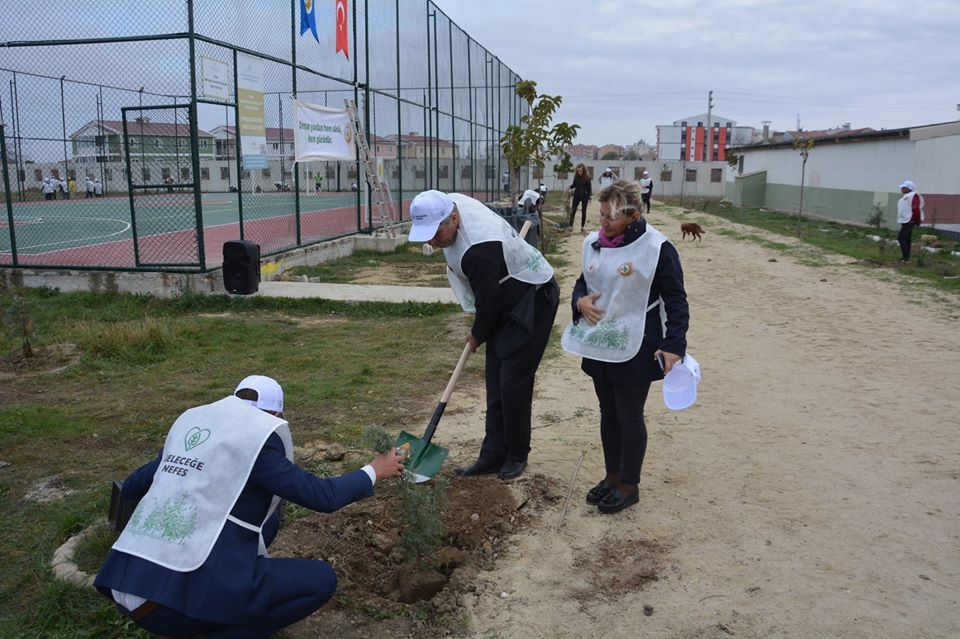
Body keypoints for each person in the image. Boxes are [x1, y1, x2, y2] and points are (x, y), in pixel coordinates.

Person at [94, 375, 405, 638]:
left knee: (264, 520)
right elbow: (322, 496)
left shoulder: (199, 431)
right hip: (169, 607)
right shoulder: (257, 445)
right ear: (275, 417)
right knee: (321, 580)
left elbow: (132, 487)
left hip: (126, 588)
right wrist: (375, 470)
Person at [408, 190, 560, 481]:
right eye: (425, 234)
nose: (431, 240)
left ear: (453, 218)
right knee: (496, 382)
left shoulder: (479, 248)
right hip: (504, 296)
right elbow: (490, 300)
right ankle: (492, 454)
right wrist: (482, 330)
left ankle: (516, 455)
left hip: (532, 298)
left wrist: (477, 335)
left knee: (513, 383)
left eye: (435, 232)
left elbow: (488, 303)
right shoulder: (447, 202)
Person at [561, 180, 689, 514]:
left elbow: (676, 299)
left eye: (609, 217)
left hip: (637, 343)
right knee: (608, 412)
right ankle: (612, 475)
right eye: (600, 215)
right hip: (600, 342)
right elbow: (581, 284)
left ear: (632, 215)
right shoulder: (594, 244)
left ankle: (629, 484)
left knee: (629, 414)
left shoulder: (657, 248)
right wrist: (580, 302)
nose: (601, 222)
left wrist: (674, 344)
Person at [897, 180, 924, 263]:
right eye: (902, 187)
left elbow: (915, 208)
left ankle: (905, 258)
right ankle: (906, 258)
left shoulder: (913, 195)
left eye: (904, 187)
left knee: (901, 238)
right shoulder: (907, 196)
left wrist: (917, 220)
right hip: (906, 220)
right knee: (907, 239)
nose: (902, 188)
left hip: (910, 220)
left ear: (909, 189)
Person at [568, 163, 592, 233]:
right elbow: (574, 185)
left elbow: (589, 189)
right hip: (576, 195)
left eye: (580, 171)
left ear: (583, 170)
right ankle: (570, 225)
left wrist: (589, 197)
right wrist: (569, 187)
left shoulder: (587, 178)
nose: (579, 172)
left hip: (584, 196)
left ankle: (582, 227)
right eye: (578, 171)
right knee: (573, 210)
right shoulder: (576, 177)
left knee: (583, 211)